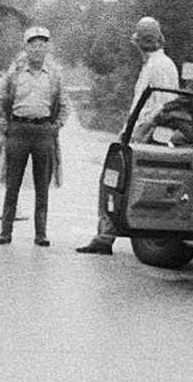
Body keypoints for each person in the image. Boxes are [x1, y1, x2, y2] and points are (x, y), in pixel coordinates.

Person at [76, 15, 181, 256]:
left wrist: (139, 132)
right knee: (115, 182)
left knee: (116, 182)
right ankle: (106, 236)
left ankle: (107, 236)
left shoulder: (159, 66)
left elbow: (162, 106)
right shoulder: (155, 64)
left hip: (146, 136)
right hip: (139, 132)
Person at [0, 24, 66, 245]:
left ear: (47, 49)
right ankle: (6, 231)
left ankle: (41, 233)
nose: (37, 50)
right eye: (33, 45)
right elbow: (0, 100)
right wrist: (4, 126)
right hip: (18, 130)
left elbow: (64, 103)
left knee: (42, 185)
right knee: (12, 183)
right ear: (26, 48)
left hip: (43, 132)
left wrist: (56, 126)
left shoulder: (54, 75)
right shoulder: (14, 74)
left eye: (42, 45)